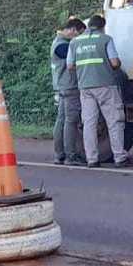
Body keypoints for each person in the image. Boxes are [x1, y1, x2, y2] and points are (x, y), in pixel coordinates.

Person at [67, 14, 133, 168]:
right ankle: (119, 157)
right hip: (106, 85)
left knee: (89, 123)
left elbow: (70, 66)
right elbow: (115, 62)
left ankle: (92, 159)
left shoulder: (75, 42)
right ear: (102, 27)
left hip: (85, 87)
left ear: (89, 26)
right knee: (114, 121)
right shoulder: (105, 39)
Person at [51, 17, 86, 165]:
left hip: (63, 86)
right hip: (70, 87)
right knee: (71, 121)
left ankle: (60, 154)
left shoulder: (59, 43)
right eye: (80, 34)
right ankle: (71, 156)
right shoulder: (62, 46)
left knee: (62, 121)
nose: (80, 38)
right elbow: (77, 54)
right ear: (72, 30)